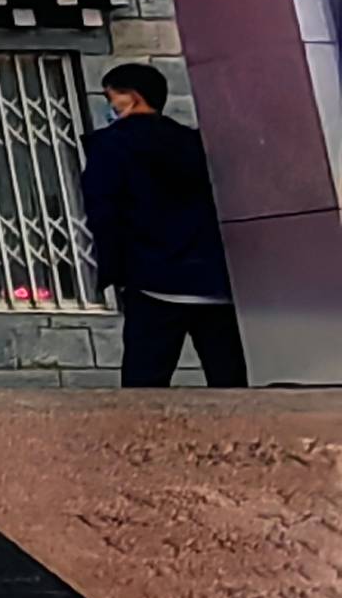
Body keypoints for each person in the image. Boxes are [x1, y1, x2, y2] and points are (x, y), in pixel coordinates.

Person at [82, 62, 246, 388]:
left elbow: (105, 213)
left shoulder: (111, 146)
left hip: (152, 281)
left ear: (132, 97)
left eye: (111, 97)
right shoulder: (196, 143)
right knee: (231, 384)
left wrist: (115, 273)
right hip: (212, 281)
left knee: (143, 390)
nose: (110, 106)